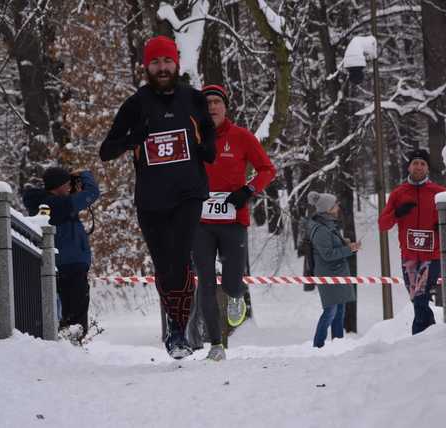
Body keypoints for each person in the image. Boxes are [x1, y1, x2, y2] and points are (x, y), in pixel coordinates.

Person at [99, 36, 216, 359]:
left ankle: (178, 332)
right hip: (151, 199)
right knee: (165, 265)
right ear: (146, 66)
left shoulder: (193, 99)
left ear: (176, 63)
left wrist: (202, 147)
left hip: (188, 192)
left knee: (179, 257)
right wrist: (135, 138)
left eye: (167, 62)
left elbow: (209, 143)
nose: (162, 68)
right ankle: (178, 325)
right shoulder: (135, 105)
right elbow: (106, 151)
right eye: (155, 62)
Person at [192, 84, 276, 361]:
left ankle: (236, 294)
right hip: (200, 222)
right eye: (207, 103)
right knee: (204, 282)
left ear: (225, 107)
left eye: (217, 102)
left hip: (232, 220)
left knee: (232, 278)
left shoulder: (241, 137)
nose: (212, 107)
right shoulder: (191, 138)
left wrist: (248, 190)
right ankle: (216, 345)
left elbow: (267, 169)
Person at [23, 167, 100, 339]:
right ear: (57, 186)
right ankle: (72, 344)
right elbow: (93, 193)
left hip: (61, 264)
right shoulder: (58, 204)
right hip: (70, 265)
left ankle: (67, 344)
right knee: (75, 314)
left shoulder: (47, 203)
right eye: (66, 185)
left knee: (65, 310)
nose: (69, 188)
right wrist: (85, 174)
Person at [378, 149, 446, 335]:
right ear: (409, 167)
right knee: (417, 297)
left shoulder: (439, 193)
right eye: (415, 163)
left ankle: (419, 336)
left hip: (432, 255)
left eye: (422, 163)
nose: (418, 166)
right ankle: (431, 334)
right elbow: (383, 224)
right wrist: (397, 213)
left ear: (427, 169)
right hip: (409, 257)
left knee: (420, 294)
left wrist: (442, 225)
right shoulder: (399, 194)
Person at [306, 191, 359, 348]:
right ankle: (318, 345)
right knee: (330, 311)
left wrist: (346, 244)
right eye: (335, 205)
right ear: (328, 208)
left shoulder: (328, 224)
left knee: (340, 311)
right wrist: (349, 250)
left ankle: (338, 344)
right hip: (328, 275)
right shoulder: (320, 229)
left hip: (336, 273)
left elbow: (331, 245)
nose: (337, 207)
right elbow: (327, 254)